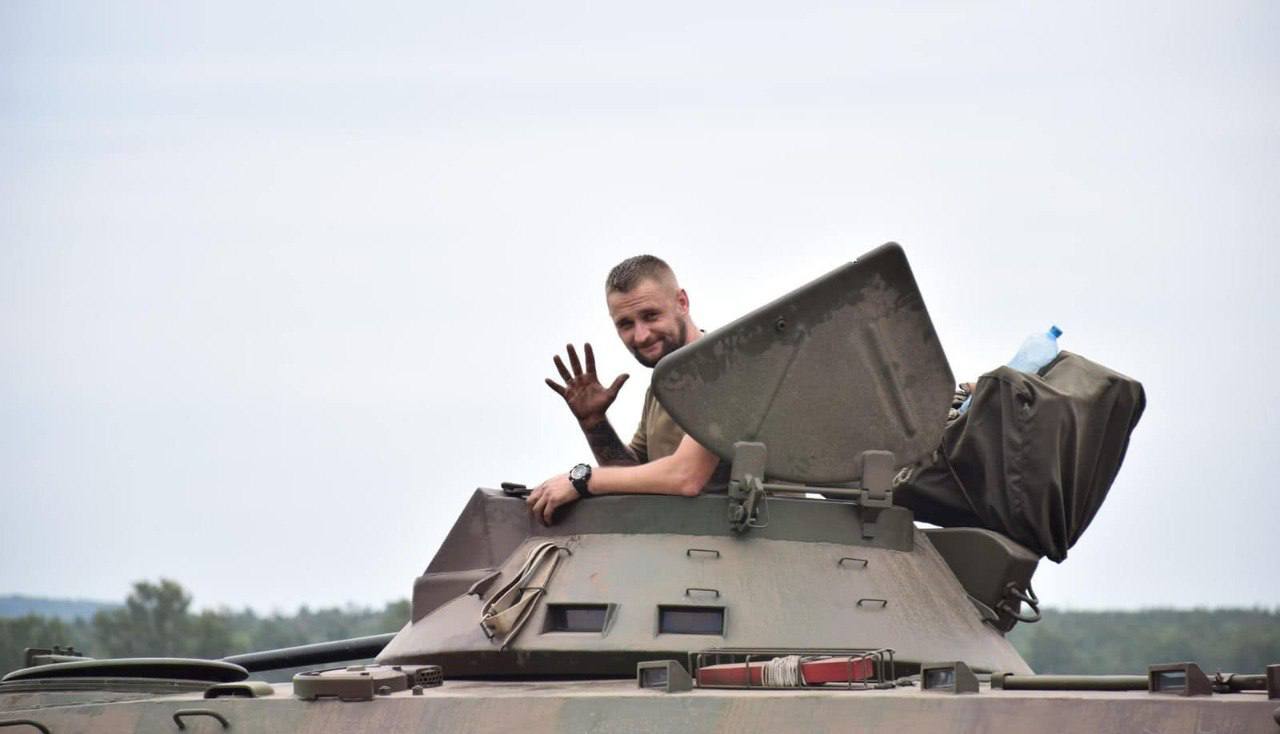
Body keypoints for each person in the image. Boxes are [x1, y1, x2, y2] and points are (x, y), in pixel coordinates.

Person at [526, 256, 721, 524]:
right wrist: (595, 425)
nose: (641, 336)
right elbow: (635, 475)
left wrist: (582, 479)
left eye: (650, 316)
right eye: (626, 324)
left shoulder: (723, 367)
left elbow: (685, 477)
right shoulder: (664, 384)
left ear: (682, 303)